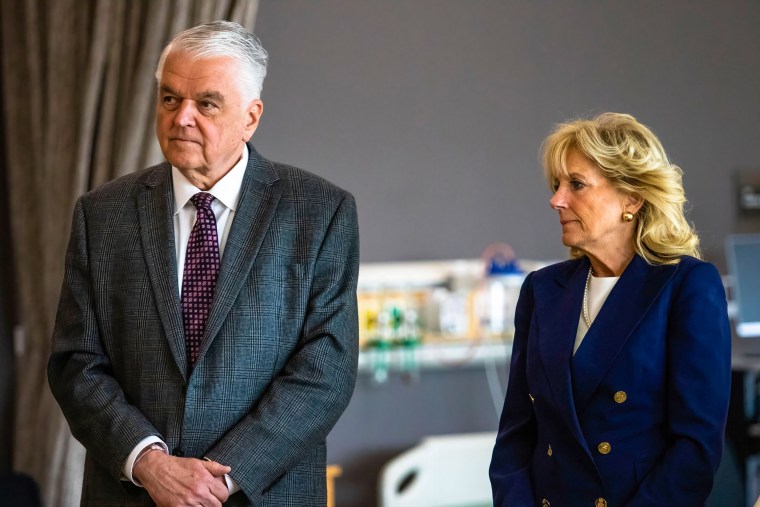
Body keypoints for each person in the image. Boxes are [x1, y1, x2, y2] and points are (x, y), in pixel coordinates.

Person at [48, 21, 359, 507]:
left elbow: (326, 370)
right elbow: (76, 362)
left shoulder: (319, 212)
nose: (181, 118)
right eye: (170, 99)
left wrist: (217, 480)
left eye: (206, 103)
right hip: (133, 492)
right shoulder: (102, 214)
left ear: (251, 118)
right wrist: (150, 463)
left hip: (264, 493)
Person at [489, 112, 731, 507]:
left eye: (576, 184)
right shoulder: (542, 289)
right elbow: (516, 434)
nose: (556, 200)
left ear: (632, 198)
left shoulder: (687, 285)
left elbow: (695, 449)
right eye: (556, 185)